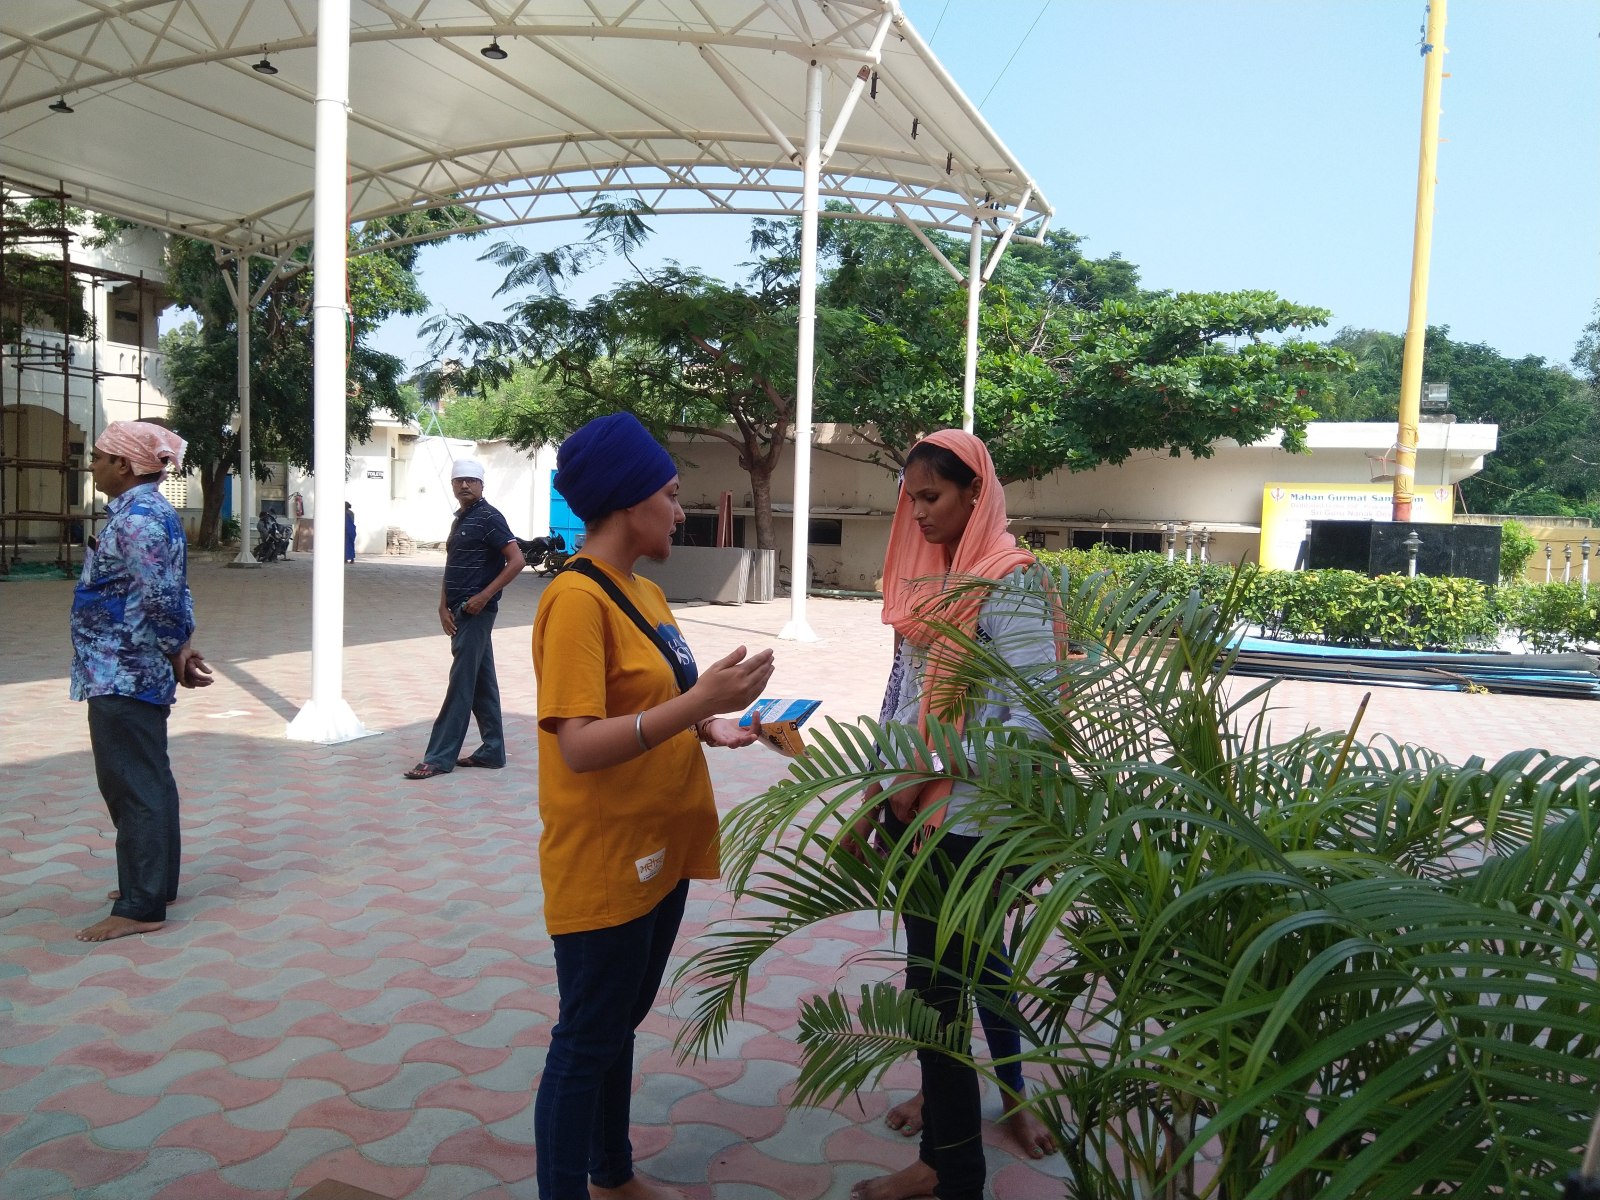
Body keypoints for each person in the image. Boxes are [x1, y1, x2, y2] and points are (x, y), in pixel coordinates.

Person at [531, 412, 774, 1200]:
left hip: (658, 848)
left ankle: (613, 1174)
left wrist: (713, 723)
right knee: (585, 1040)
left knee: (615, 1026)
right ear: (629, 502)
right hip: (605, 858)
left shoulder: (646, 593)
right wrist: (699, 700)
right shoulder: (576, 600)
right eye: (669, 495)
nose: (679, 510)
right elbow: (579, 743)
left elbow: (653, 703)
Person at [847, 429, 1061, 1200]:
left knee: (952, 994)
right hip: (918, 818)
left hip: (973, 830)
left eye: (932, 497)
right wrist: (877, 792)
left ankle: (955, 1173)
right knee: (933, 1000)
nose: (919, 514)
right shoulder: (932, 582)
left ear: (976, 493)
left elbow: (1030, 727)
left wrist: (925, 769)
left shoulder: (1010, 585)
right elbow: (901, 694)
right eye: (911, 500)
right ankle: (943, 1155)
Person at [71, 419, 213, 943]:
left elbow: (161, 598)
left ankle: (140, 905)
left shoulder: (138, 520)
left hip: (123, 671)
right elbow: (172, 590)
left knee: (132, 785)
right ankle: (155, 884)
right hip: (125, 667)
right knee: (149, 778)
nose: (92, 464)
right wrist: (180, 648)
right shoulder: (147, 513)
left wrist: (177, 649)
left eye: (99, 456)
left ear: (124, 465)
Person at [402, 459, 524, 779]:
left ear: (482, 484)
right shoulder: (460, 519)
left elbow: (516, 560)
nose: (465, 485)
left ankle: (438, 757)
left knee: (461, 684)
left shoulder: (490, 517)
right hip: (457, 611)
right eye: (459, 480)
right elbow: (452, 565)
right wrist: (442, 606)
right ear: (453, 485)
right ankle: (492, 751)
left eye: (471, 480)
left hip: (475, 613)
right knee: (482, 682)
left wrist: (484, 596)